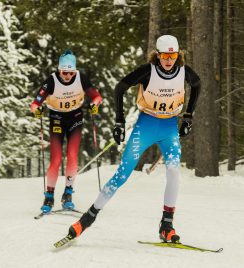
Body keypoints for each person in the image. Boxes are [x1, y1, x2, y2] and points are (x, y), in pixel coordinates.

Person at [65, 35, 201, 243]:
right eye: (164, 55)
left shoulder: (184, 72)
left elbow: (198, 85)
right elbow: (120, 88)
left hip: (169, 128)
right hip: (146, 126)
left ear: (177, 55)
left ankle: (167, 225)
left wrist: (189, 115)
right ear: (157, 55)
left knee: (174, 170)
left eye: (172, 55)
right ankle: (87, 219)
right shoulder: (148, 71)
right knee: (123, 173)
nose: (168, 60)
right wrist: (119, 122)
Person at [30, 49, 102, 213]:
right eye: (64, 72)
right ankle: (49, 196)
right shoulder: (52, 81)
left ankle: (68, 194)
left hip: (75, 118)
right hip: (56, 119)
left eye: (70, 72)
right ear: (59, 70)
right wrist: (36, 110)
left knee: (72, 156)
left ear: (74, 70)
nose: (67, 76)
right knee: (56, 159)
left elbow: (97, 97)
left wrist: (94, 105)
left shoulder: (81, 78)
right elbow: (35, 103)